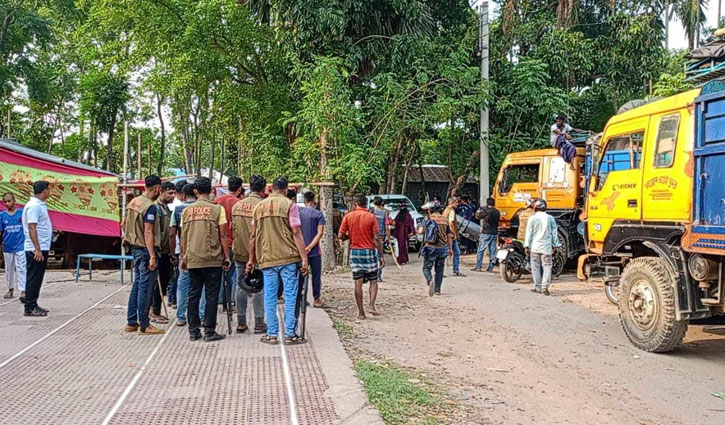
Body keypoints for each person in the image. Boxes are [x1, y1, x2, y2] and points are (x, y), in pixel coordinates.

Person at [246, 177, 309, 345]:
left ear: (271, 188)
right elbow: (296, 232)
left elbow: (253, 236)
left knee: (270, 296)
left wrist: (251, 259)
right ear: (286, 189)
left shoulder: (259, 207)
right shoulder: (290, 205)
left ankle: (272, 334)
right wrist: (304, 258)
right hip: (288, 257)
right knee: (290, 295)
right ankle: (290, 334)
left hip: (267, 258)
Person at [181, 177, 231, 342]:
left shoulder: (187, 211)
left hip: (193, 258)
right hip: (212, 258)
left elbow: (183, 237)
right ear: (211, 190)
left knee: (193, 295)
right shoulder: (217, 210)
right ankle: (209, 331)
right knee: (211, 296)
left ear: (195, 191)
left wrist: (183, 257)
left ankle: (193, 331)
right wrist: (226, 256)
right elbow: (223, 235)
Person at [123, 176, 164, 333]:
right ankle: (145, 324)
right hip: (145, 250)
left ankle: (132, 321)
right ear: (157, 189)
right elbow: (148, 232)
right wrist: (152, 254)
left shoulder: (133, 202)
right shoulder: (150, 207)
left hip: (135, 248)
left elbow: (124, 224)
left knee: (137, 284)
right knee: (145, 288)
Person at [339, 194, 384, 319]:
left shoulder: (348, 217)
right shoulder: (371, 217)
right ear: (366, 204)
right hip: (369, 251)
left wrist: (350, 237)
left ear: (355, 204)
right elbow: (376, 238)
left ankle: (361, 312)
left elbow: (340, 235)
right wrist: (381, 256)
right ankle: (371, 305)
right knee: (373, 280)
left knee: (358, 282)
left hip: (355, 251)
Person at [230, 174, 266, 334]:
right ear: (263, 189)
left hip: (239, 252)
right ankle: (259, 322)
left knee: (241, 286)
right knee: (258, 286)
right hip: (258, 253)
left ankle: (241, 322)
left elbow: (233, 228)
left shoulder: (237, 206)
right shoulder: (263, 206)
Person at [169, 182, 197, 327]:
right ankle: (202, 314)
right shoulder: (203, 208)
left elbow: (172, 233)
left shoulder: (178, 210)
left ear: (184, 195)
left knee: (183, 283)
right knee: (201, 285)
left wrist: (173, 252)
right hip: (200, 252)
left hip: (183, 253)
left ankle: (181, 316)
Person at [215, 176, 244, 311]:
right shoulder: (238, 204)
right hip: (231, 242)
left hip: (217, 243)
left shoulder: (217, 201)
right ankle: (229, 303)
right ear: (239, 189)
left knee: (218, 274)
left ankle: (220, 300)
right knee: (231, 274)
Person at [524, 199, 562, 296]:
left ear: (535, 207)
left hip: (535, 247)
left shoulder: (532, 218)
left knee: (535, 267)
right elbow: (554, 233)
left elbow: (529, 234)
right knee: (547, 266)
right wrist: (556, 245)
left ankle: (537, 287)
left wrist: (527, 246)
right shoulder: (550, 218)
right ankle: (545, 286)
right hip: (546, 248)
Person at [149, 181, 175, 324]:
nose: (173, 196)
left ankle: (155, 310)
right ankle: (154, 311)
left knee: (164, 282)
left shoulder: (166, 208)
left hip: (165, 251)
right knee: (156, 283)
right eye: (170, 193)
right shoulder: (155, 208)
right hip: (158, 251)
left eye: (174, 193)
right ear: (161, 192)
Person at [418, 202, 453, 296]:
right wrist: (450, 249)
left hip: (430, 247)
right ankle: (437, 289)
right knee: (439, 269)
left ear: (430, 210)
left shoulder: (428, 219)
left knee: (426, 268)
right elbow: (449, 236)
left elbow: (420, 231)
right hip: (442, 247)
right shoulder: (445, 220)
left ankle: (429, 281)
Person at [298, 190, 326, 308]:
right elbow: (320, 233)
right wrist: (310, 246)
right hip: (314, 251)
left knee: (300, 275)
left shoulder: (298, 213)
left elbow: (295, 232)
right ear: (314, 201)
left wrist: (303, 248)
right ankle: (316, 299)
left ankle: (300, 298)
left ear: (304, 201)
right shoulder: (318, 214)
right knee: (316, 275)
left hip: (300, 250)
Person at [1, 193, 25, 300]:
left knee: (22, 267)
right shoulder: (2, 215)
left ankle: (23, 290)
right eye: (5, 201)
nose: (7, 203)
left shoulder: (22, 213)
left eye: (9, 201)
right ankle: (10, 289)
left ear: (14, 200)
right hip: (7, 246)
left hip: (21, 245)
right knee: (9, 269)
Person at [167, 180, 187, 307]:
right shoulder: (180, 207)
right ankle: (174, 299)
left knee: (175, 274)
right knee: (180, 276)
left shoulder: (172, 206)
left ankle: (172, 298)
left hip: (176, 245)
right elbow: (172, 232)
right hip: (180, 245)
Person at [472, 198, 500, 272]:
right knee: (492, 251)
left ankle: (478, 267)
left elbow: (477, 217)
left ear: (487, 204)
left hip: (486, 233)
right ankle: (490, 267)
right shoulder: (497, 212)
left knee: (481, 250)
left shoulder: (486, 211)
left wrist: (480, 210)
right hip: (494, 233)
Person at [443, 197, 465, 277]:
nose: (457, 204)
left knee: (450, 252)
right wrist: (454, 233)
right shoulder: (451, 211)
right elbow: (451, 223)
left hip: (445, 233)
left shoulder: (445, 211)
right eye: (456, 203)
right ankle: (454, 270)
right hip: (450, 235)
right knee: (451, 252)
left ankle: (454, 270)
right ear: (452, 203)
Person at [371, 196, 390, 282]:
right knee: (379, 255)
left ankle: (371, 274)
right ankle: (378, 276)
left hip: (371, 236)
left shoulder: (371, 211)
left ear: (374, 203)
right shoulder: (384, 213)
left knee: (371, 255)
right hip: (381, 236)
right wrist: (388, 236)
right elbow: (387, 226)